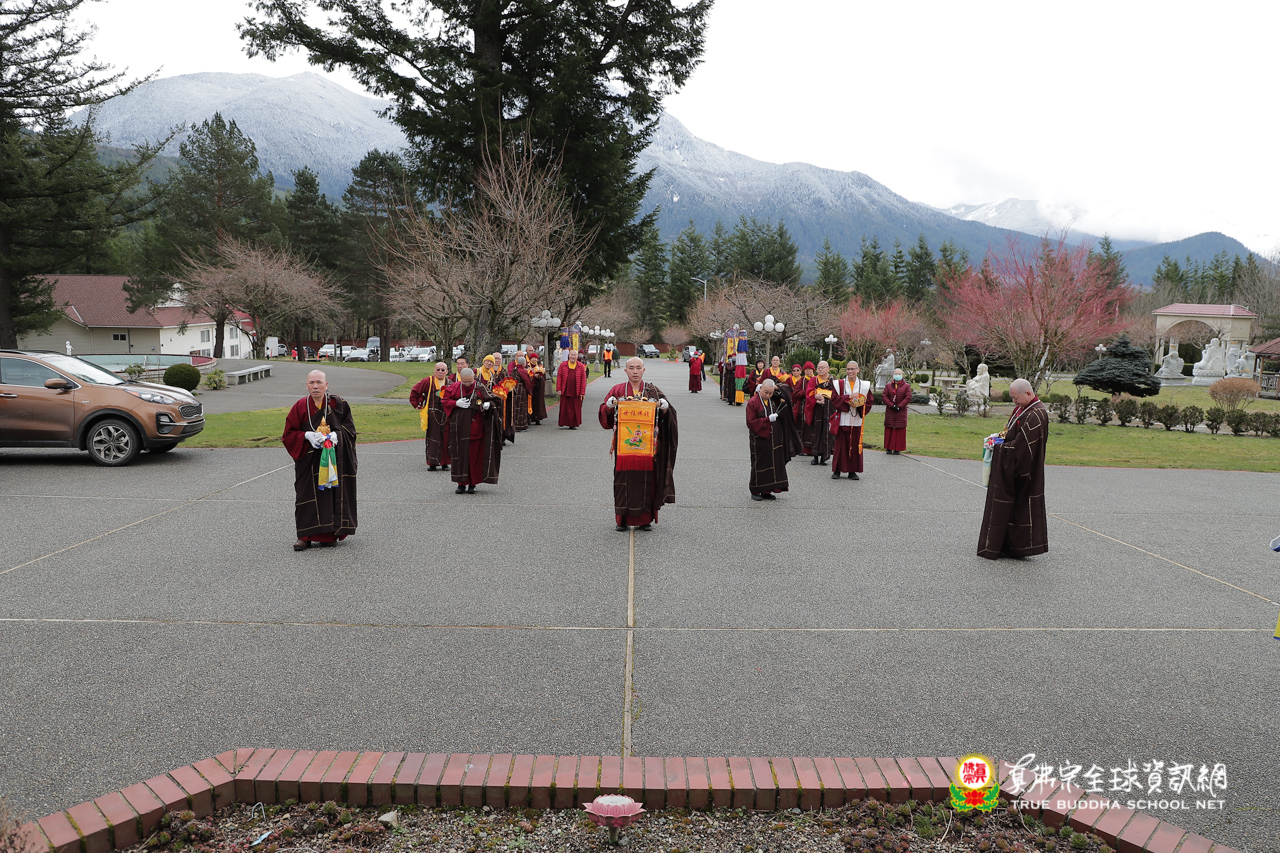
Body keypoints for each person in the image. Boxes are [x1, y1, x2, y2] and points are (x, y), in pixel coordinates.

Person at [281, 370, 357, 550]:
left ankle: (329, 534)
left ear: (326, 385)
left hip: (333, 459)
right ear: (306, 385)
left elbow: (350, 430)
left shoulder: (338, 404)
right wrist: (306, 436)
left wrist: (336, 436)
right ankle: (304, 536)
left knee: (331, 493)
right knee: (305, 495)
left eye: (319, 382)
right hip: (309, 460)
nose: (315, 386)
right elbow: (288, 435)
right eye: (312, 383)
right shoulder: (300, 406)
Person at [599, 357, 678, 531]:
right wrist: (608, 407)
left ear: (644, 370)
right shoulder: (618, 390)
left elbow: (667, 415)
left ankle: (645, 520)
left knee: (647, 481)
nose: (635, 371)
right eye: (631, 368)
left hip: (647, 449)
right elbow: (605, 416)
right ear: (625, 370)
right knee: (622, 481)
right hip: (624, 449)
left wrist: (665, 409)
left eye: (638, 368)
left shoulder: (652, 391)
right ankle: (621, 520)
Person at [978, 378, 1049, 559]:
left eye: (1016, 398)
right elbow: (1011, 433)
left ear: (1028, 393)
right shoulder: (1022, 408)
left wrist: (999, 449)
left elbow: (1022, 448)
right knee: (1010, 508)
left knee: (1020, 508)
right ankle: (1006, 545)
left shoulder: (1036, 414)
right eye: (1012, 398)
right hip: (1013, 465)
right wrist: (997, 439)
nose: (1014, 401)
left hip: (1025, 471)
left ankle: (1018, 547)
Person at [442, 367, 502, 494]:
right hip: (459, 428)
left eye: (470, 381)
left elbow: (495, 400)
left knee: (474, 457)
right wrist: (455, 403)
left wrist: (488, 405)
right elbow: (445, 401)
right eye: (465, 382)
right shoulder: (454, 388)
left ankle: (472, 484)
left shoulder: (480, 387)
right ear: (460, 379)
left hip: (476, 428)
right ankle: (461, 483)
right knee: (460, 455)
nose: (468, 384)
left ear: (473, 378)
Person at [746, 379, 793, 500]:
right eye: (766, 392)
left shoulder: (772, 400)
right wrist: (767, 420)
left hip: (773, 438)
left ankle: (767, 490)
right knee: (759, 464)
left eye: (771, 393)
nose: (768, 395)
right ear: (760, 388)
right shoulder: (753, 402)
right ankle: (755, 490)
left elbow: (787, 391)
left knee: (773, 463)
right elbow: (751, 423)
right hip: (759, 439)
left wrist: (776, 388)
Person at [831, 361, 872, 480]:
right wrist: (848, 398)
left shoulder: (864, 385)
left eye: (852, 369)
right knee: (840, 445)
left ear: (858, 370)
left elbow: (869, 401)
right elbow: (834, 399)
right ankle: (837, 470)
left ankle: (852, 471)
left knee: (854, 445)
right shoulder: (839, 384)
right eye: (848, 369)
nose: (850, 371)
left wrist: (860, 403)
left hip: (856, 419)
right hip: (843, 418)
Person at [409, 361, 452, 470]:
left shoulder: (450, 383)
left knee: (446, 438)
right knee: (433, 438)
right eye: (438, 369)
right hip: (433, 414)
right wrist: (417, 404)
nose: (440, 372)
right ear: (434, 370)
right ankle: (432, 463)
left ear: (447, 371)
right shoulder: (428, 381)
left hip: (446, 415)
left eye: (443, 370)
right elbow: (415, 391)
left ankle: (445, 463)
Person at [803, 360, 836, 465]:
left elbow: (836, 393)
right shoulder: (814, 380)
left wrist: (825, 395)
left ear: (828, 369)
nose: (820, 369)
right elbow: (809, 393)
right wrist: (816, 399)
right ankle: (815, 456)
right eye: (819, 367)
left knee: (827, 432)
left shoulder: (833, 380)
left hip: (829, 409)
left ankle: (824, 457)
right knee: (816, 432)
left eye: (823, 367)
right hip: (817, 409)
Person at [881, 368, 912, 455]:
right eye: (896, 373)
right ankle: (888, 448)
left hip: (901, 411)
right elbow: (884, 396)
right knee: (889, 429)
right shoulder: (888, 386)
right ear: (893, 375)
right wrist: (891, 405)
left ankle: (898, 449)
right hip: (890, 411)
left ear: (902, 375)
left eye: (899, 374)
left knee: (899, 430)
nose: (897, 375)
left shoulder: (906, 386)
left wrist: (899, 406)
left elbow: (908, 397)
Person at [557, 348, 589, 429]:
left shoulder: (581, 366)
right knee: (564, 407)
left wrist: (582, 392)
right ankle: (563, 422)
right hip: (565, 389)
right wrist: (559, 389)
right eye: (571, 355)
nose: (573, 357)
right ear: (569, 355)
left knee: (575, 408)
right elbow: (559, 377)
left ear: (577, 356)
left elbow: (583, 380)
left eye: (574, 355)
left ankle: (573, 424)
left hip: (576, 390)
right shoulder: (563, 365)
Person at [508, 354, 534, 432]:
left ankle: (514, 424)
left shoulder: (514, 370)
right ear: (523, 363)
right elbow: (527, 382)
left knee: (515, 407)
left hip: (514, 389)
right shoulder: (523, 371)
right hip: (521, 390)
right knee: (521, 408)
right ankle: (521, 425)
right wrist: (529, 391)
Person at [528, 351, 549, 424]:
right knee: (530, 402)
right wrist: (533, 375)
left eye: (536, 358)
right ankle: (530, 418)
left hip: (538, 388)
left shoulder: (540, 366)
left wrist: (540, 376)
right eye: (533, 358)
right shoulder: (528, 366)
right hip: (531, 387)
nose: (534, 360)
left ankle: (538, 418)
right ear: (530, 359)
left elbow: (543, 376)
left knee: (538, 402)